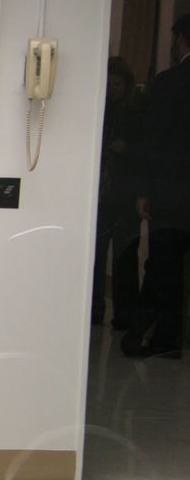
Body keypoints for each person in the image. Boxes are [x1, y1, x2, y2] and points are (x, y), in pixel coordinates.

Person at [122, 14, 190, 359]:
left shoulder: (167, 84)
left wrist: (144, 190)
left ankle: (162, 334)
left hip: (172, 189)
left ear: (180, 40)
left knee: (165, 266)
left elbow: (153, 140)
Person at [91, 56, 142, 326]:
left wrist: (127, 150)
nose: (113, 89)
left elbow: (145, 152)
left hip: (122, 191)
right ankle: (97, 310)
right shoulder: (106, 110)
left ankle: (123, 314)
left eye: (117, 84)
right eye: (109, 84)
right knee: (98, 255)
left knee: (123, 255)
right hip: (104, 191)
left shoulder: (135, 112)